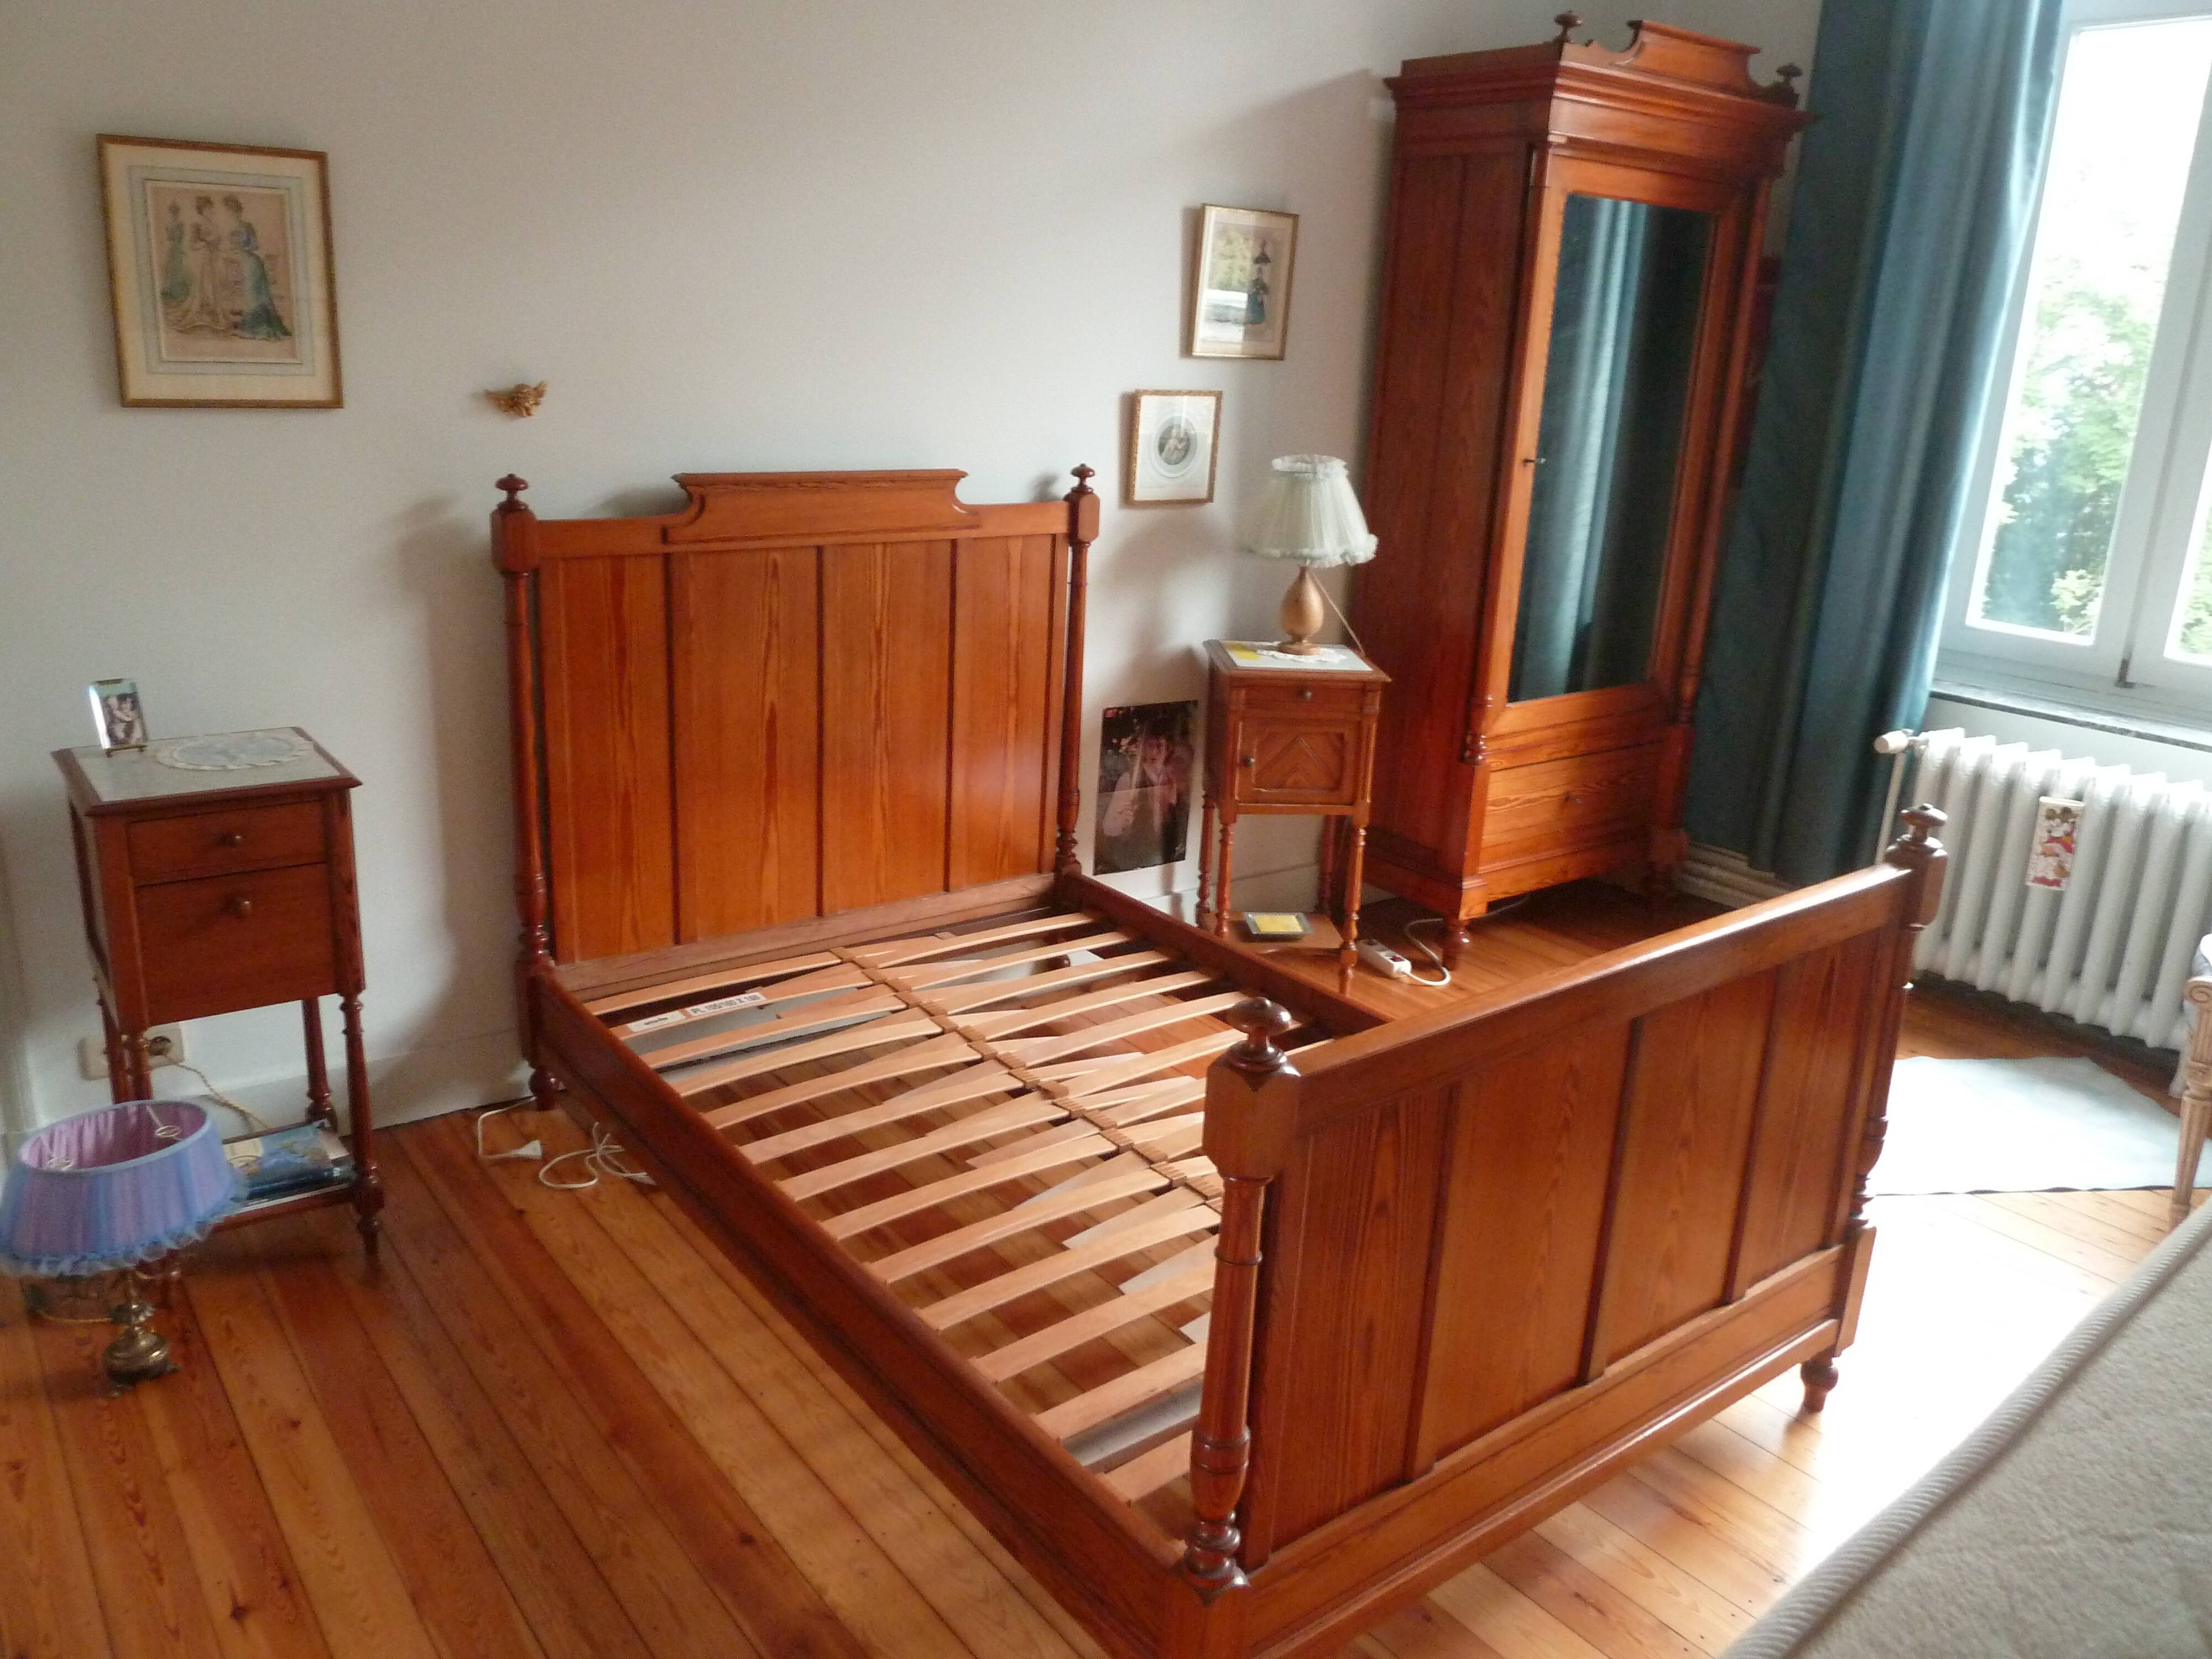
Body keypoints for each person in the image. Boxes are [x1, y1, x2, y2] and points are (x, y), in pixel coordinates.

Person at [1097, 717, 1191, 872]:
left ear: (1168, 749)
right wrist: (1122, 822)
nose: (1154, 752)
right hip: (1137, 859)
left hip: (1168, 861)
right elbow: (1108, 827)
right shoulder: (1130, 780)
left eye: (1160, 746)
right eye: (1150, 745)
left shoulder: (1173, 781)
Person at [222, 196, 290, 340]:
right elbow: (232, 248)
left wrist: (242, 247)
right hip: (245, 263)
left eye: (233, 212)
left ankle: (259, 327)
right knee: (250, 295)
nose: (231, 215)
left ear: (238, 212)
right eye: (229, 212)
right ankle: (254, 323)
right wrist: (233, 249)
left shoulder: (247, 227)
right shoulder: (232, 230)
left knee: (256, 295)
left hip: (253, 263)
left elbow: (255, 245)